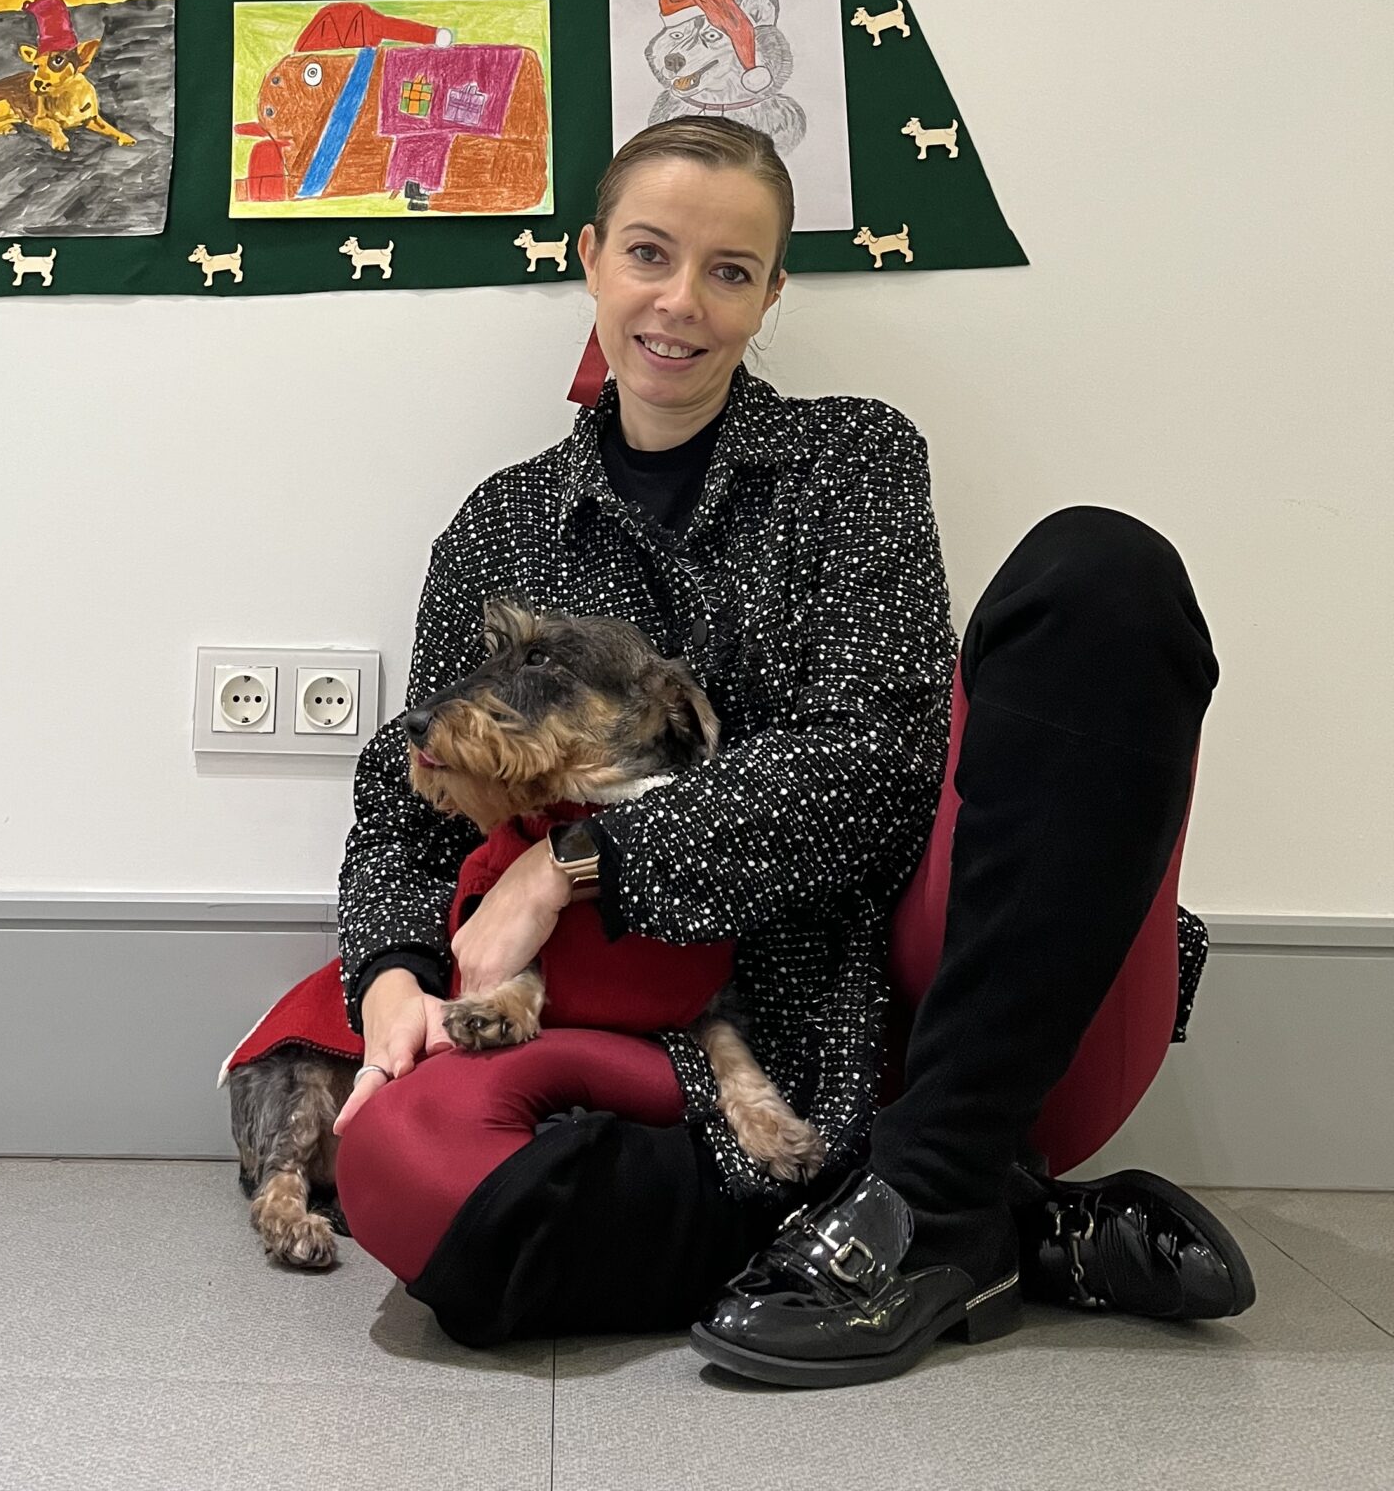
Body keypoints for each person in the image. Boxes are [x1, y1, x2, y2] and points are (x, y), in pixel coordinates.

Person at [328, 117, 1252, 1384]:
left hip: (903, 1002)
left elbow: (878, 762)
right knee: (409, 1182)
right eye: (649, 253)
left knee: (1103, 573)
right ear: (589, 257)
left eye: (729, 269)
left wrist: (573, 864)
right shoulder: (503, 526)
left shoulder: (854, 457)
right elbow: (410, 798)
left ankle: (931, 1181)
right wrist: (387, 979)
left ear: (770, 293)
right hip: (633, 1034)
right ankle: (983, 1220)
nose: (680, 302)